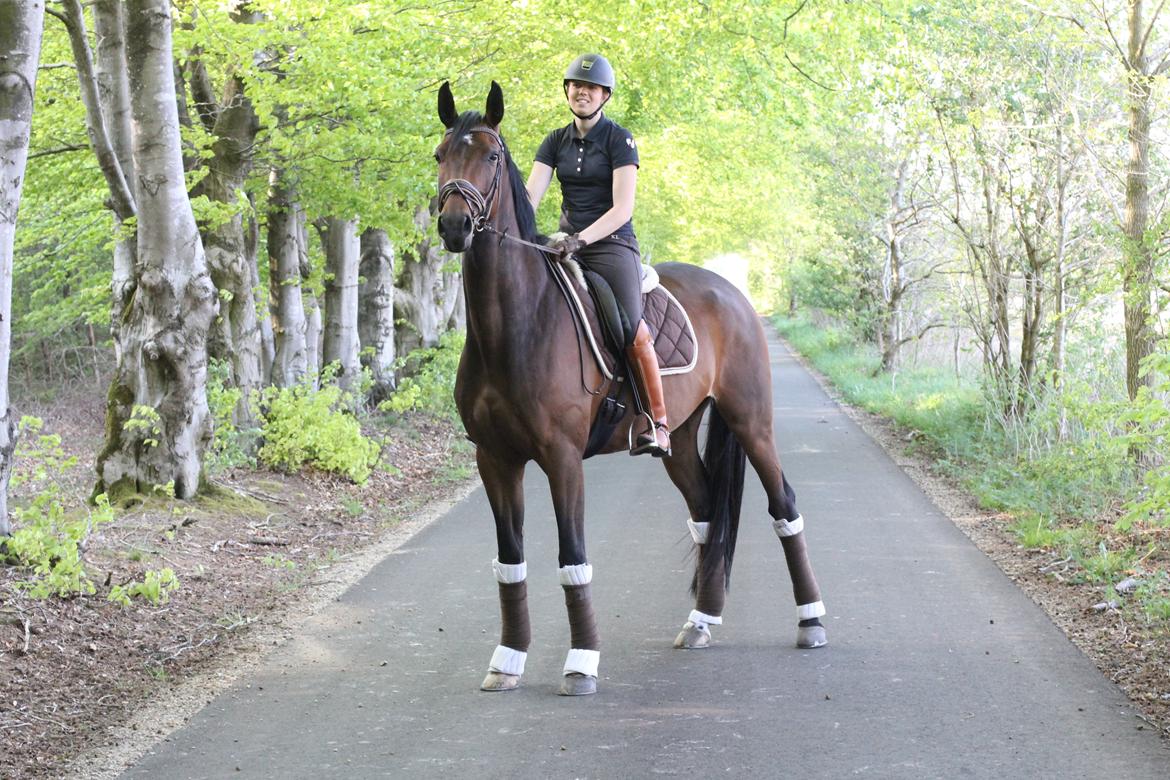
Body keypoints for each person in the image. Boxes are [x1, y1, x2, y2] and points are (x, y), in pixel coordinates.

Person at [526, 53, 670, 457]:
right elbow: (529, 197)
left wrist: (581, 240)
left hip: (611, 245)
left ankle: (657, 422)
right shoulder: (554, 140)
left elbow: (622, 208)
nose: (581, 92)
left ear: (604, 94)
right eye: (575, 85)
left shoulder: (619, 139)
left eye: (589, 88)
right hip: (564, 243)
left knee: (627, 325)